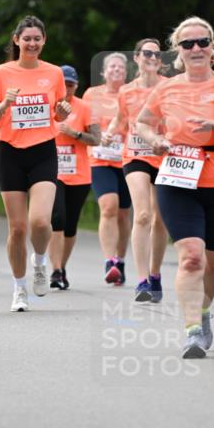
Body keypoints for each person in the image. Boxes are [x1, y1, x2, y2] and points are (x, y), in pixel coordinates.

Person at [136, 16, 214, 358]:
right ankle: (192, 331)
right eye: (188, 44)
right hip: (177, 179)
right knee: (191, 258)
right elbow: (143, 123)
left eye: (202, 42)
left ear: (213, 47)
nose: (196, 48)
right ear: (178, 51)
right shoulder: (167, 87)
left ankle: (203, 313)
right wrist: (155, 139)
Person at [0, 15, 67, 312]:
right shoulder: (1, 73)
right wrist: (4, 105)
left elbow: (58, 114)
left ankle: (40, 262)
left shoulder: (54, 73)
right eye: (26, 38)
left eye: (37, 39)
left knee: (40, 221)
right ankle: (19, 288)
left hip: (43, 150)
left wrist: (64, 112)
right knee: (17, 229)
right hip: (10, 152)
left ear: (44, 41)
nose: (32, 43)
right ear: (16, 40)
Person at [103, 39, 168, 302]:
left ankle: (154, 274)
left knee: (159, 219)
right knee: (141, 214)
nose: (151, 57)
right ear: (137, 58)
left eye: (156, 53)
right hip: (136, 155)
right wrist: (108, 133)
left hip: (164, 156)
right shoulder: (127, 91)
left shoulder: (169, 88)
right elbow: (120, 118)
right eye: (146, 53)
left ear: (160, 61)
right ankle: (142, 280)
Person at [49, 65, 99, 290]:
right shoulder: (47, 106)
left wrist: (75, 133)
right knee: (57, 219)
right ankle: (55, 270)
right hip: (53, 172)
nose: (67, 89)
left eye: (70, 84)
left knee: (70, 226)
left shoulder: (86, 107)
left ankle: (62, 266)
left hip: (79, 174)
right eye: (63, 84)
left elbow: (96, 139)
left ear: (76, 85)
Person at [83, 53, 131, 286]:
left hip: (127, 160)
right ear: (103, 72)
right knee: (108, 207)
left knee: (123, 213)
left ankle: (120, 260)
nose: (116, 70)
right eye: (112, 66)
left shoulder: (131, 93)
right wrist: (99, 137)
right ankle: (109, 261)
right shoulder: (93, 94)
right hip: (100, 160)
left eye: (121, 67)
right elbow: (85, 122)